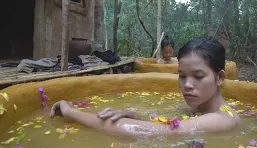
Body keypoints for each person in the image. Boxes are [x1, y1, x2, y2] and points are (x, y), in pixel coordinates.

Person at [50, 37, 241, 138]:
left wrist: (72, 113)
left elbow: (140, 132)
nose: (187, 85)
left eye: (198, 76)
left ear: (220, 78)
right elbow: (164, 124)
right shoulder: (200, 108)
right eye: (182, 76)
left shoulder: (221, 119)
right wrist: (135, 115)